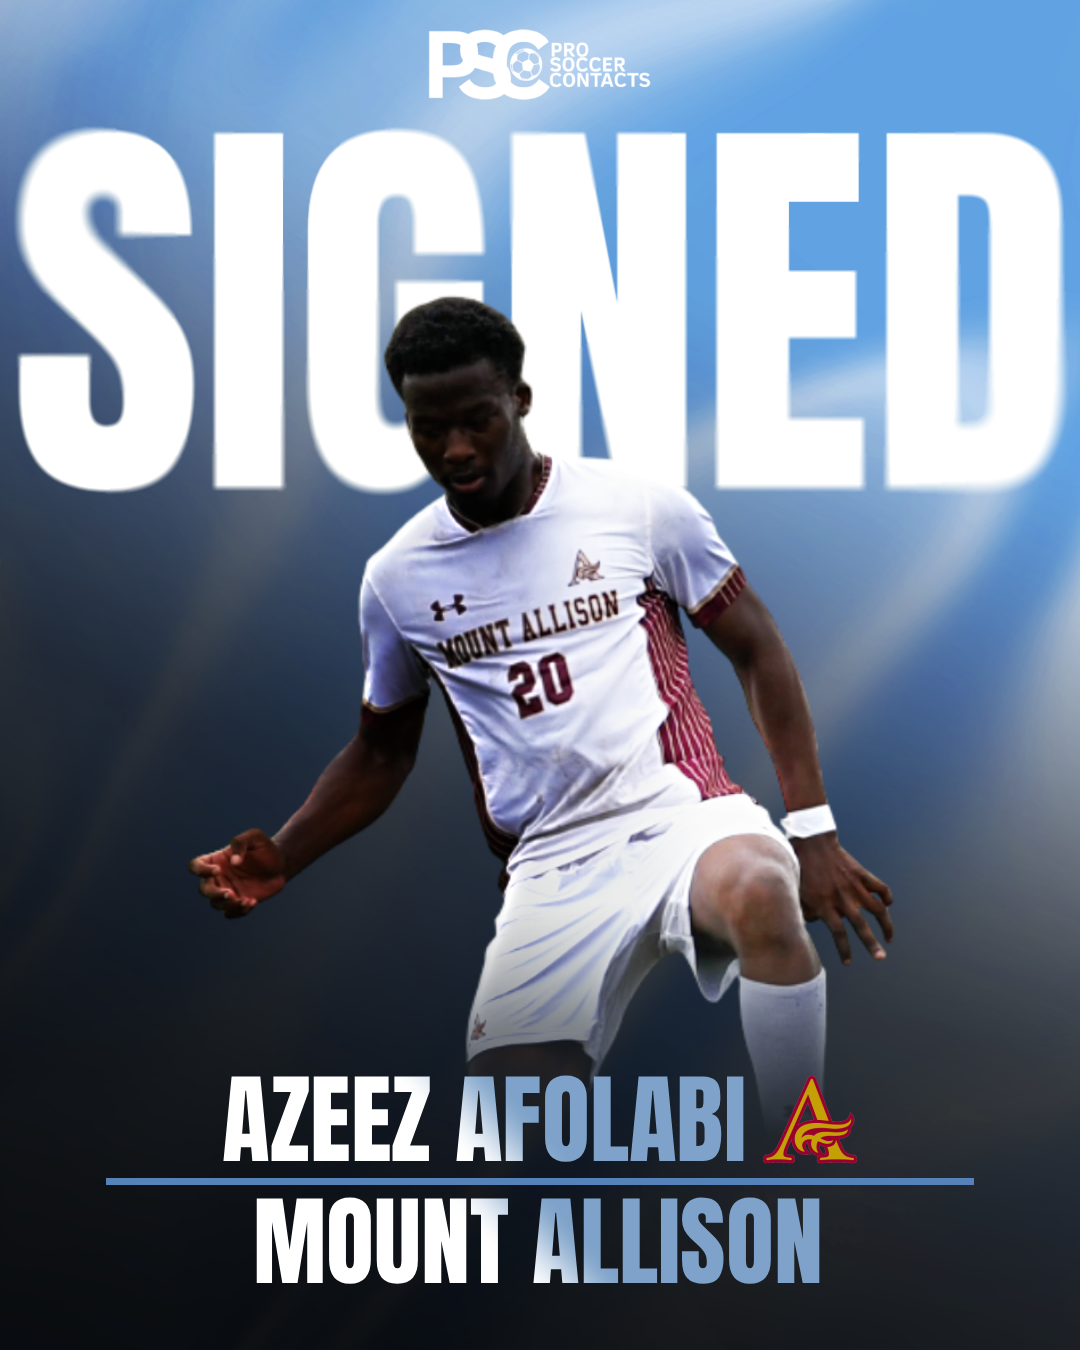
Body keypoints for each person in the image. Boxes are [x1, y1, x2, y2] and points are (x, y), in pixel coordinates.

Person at [190, 298, 893, 1133]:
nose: (455, 448)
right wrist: (288, 853)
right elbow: (382, 754)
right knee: (513, 1130)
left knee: (756, 885)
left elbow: (758, 647)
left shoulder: (638, 507)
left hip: (680, 817)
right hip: (550, 867)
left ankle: (802, 1149)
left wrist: (811, 831)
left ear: (520, 399)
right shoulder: (397, 577)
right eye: (428, 427)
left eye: (477, 419)